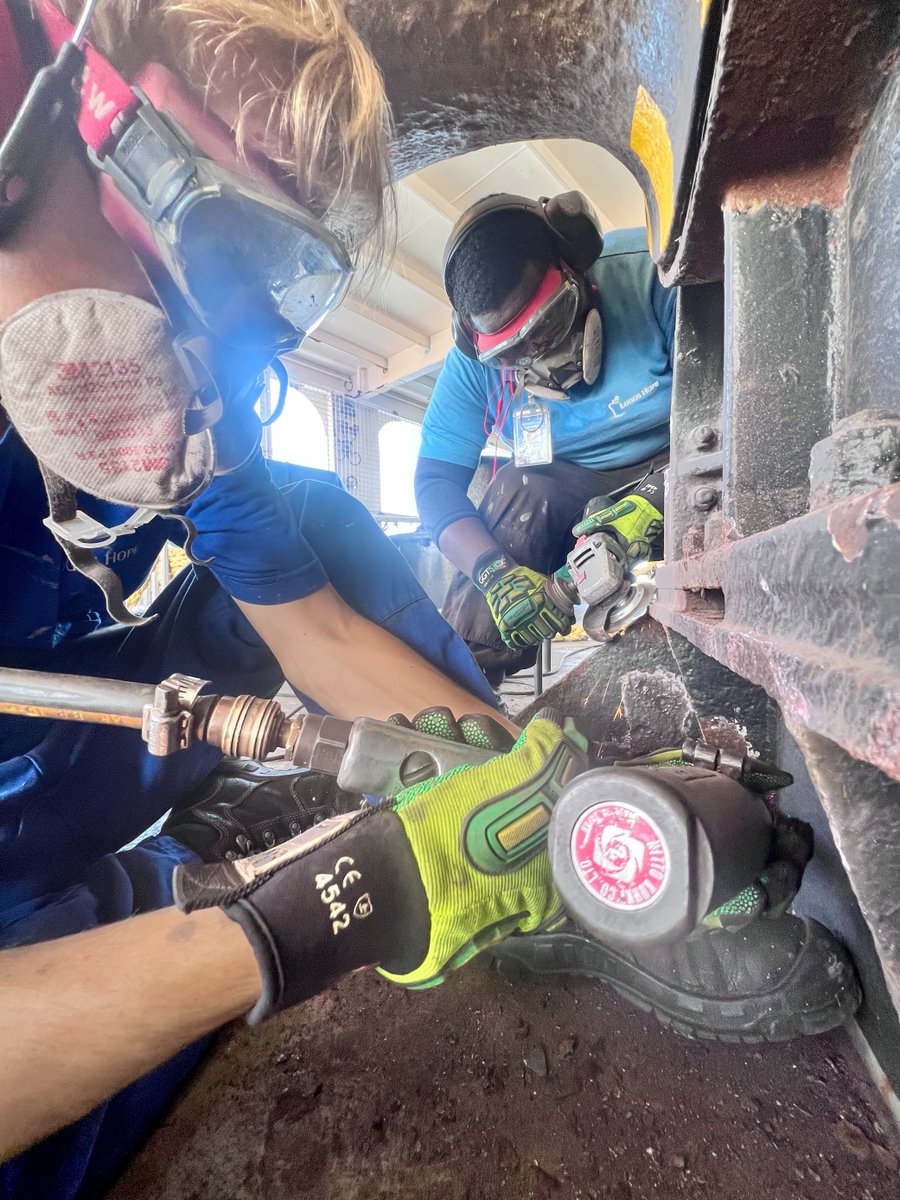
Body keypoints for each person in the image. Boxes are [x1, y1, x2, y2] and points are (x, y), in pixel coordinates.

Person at [0, 4, 861, 1195]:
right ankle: (233, 875)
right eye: (235, 260)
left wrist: (554, 797)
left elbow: (321, 630)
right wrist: (343, 905)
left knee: (305, 512)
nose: (214, 340)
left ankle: (375, 849)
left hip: (47, 748)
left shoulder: (191, 403)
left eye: (276, 297)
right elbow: (445, 483)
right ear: (68, 84)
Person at [415, 193, 672, 684]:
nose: (540, 354)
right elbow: (434, 483)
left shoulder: (651, 274)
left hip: (679, 454)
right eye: (514, 350)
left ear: (573, 264)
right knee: (517, 491)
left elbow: (739, 416)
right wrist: (495, 574)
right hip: (563, 480)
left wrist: (656, 499)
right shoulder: (472, 367)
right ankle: (467, 703)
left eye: (548, 323)